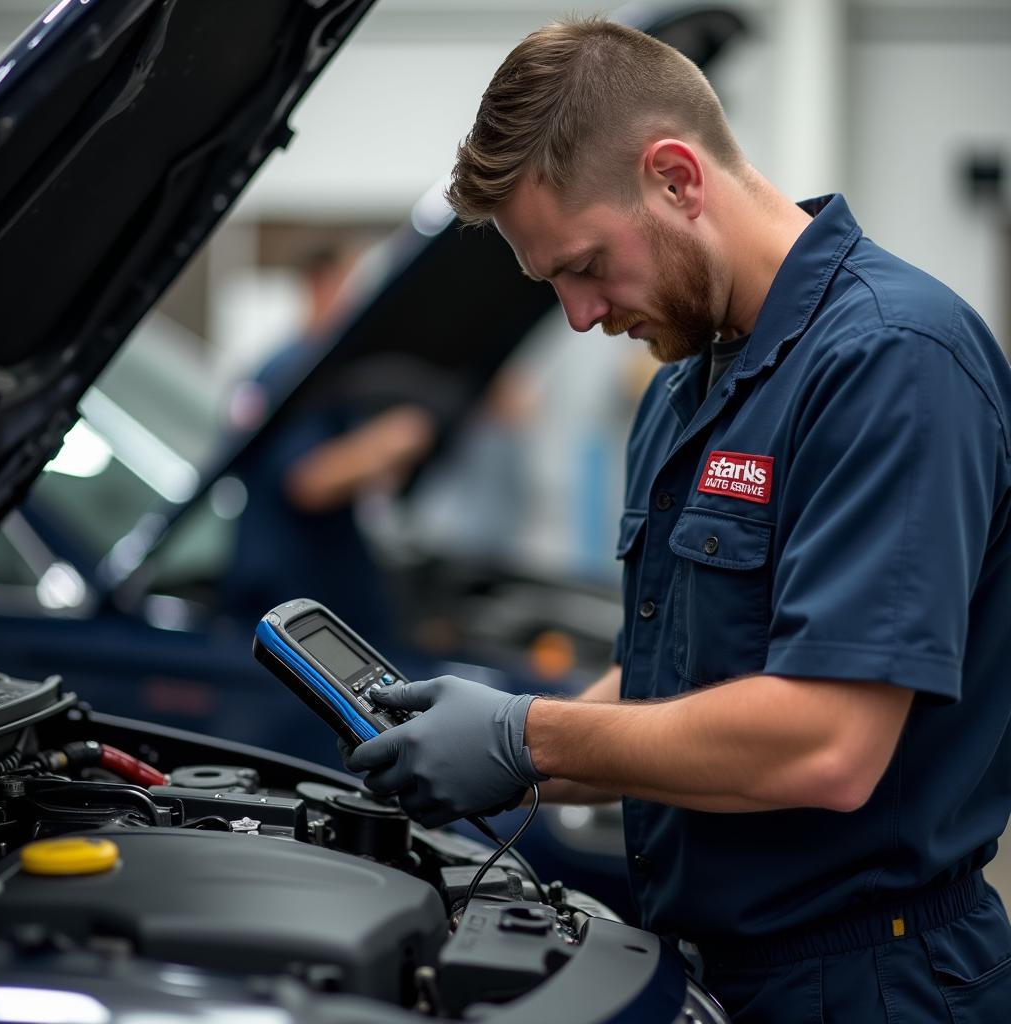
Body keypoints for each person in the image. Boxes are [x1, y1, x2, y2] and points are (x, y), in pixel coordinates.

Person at [343, 18, 1011, 1022]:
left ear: (675, 178)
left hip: (874, 980)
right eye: (552, 284)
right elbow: (679, 675)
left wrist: (531, 737)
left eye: (583, 265)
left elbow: (827, 742)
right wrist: (499, 754)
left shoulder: (890, 361)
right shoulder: (685, 389)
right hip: (718, 964)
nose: (576, 315)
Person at [223, 247, 435, 648]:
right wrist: (388, 442)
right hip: (292, 593)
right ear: (319, 285)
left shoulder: (331, 371)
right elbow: (308, 480)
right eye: (352, 285)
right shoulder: (296, 371)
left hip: (322, 582)